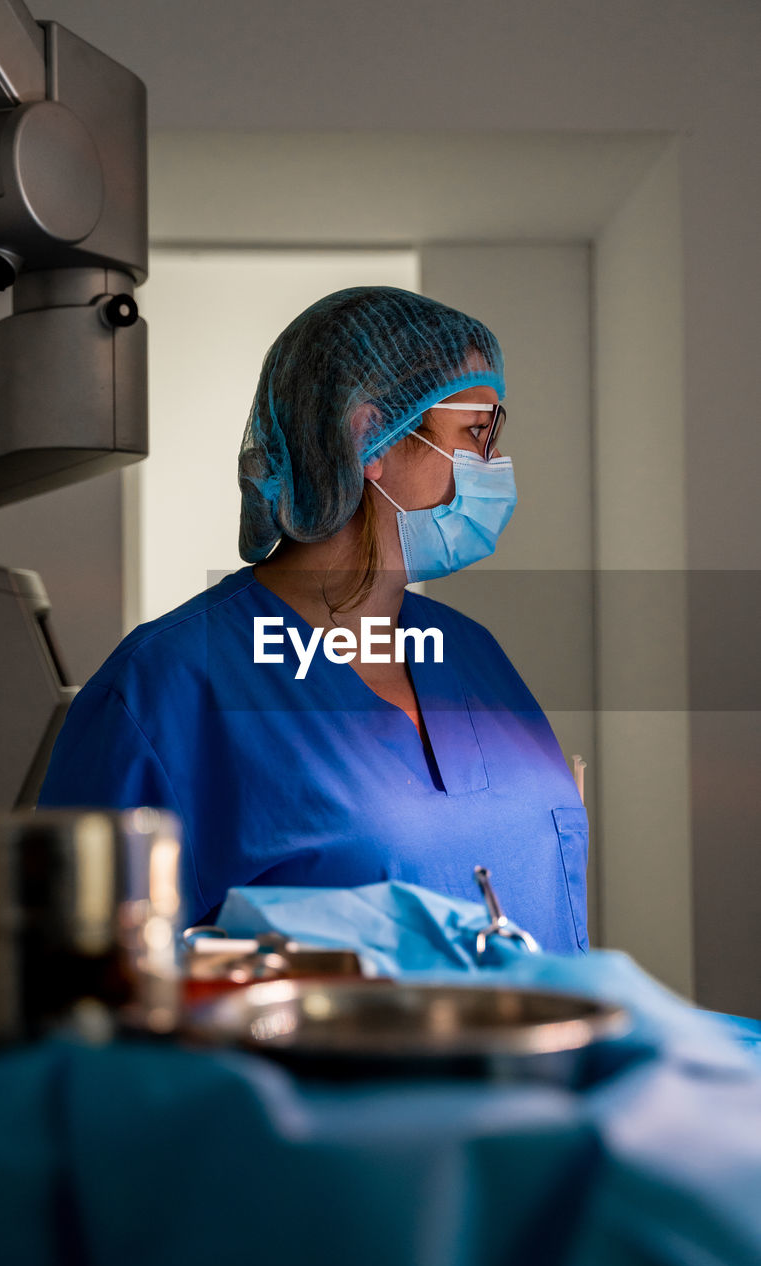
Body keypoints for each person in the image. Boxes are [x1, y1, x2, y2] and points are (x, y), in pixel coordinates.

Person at [39, 285, 588, 954]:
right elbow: (80, 975)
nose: (492, 467)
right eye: (474, 434)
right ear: (367, 437)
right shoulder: (166, 686)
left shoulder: (470, 654)